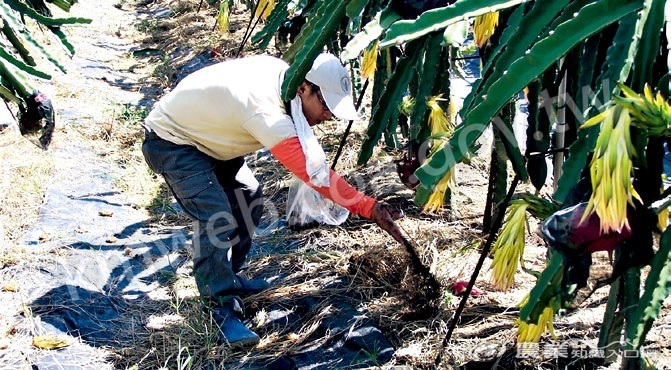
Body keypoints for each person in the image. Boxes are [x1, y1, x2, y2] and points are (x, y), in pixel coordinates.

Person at [141, 52, 405, 348]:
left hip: (208, 138)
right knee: (217, 217)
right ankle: (219, 307)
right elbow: (317, 177)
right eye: (327, 106)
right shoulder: (266, 113)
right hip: (173, 141)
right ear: (304, 88)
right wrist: (369, 207)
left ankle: (229, 276)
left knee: (248, 195)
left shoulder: (283, 76)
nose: (329, 116)